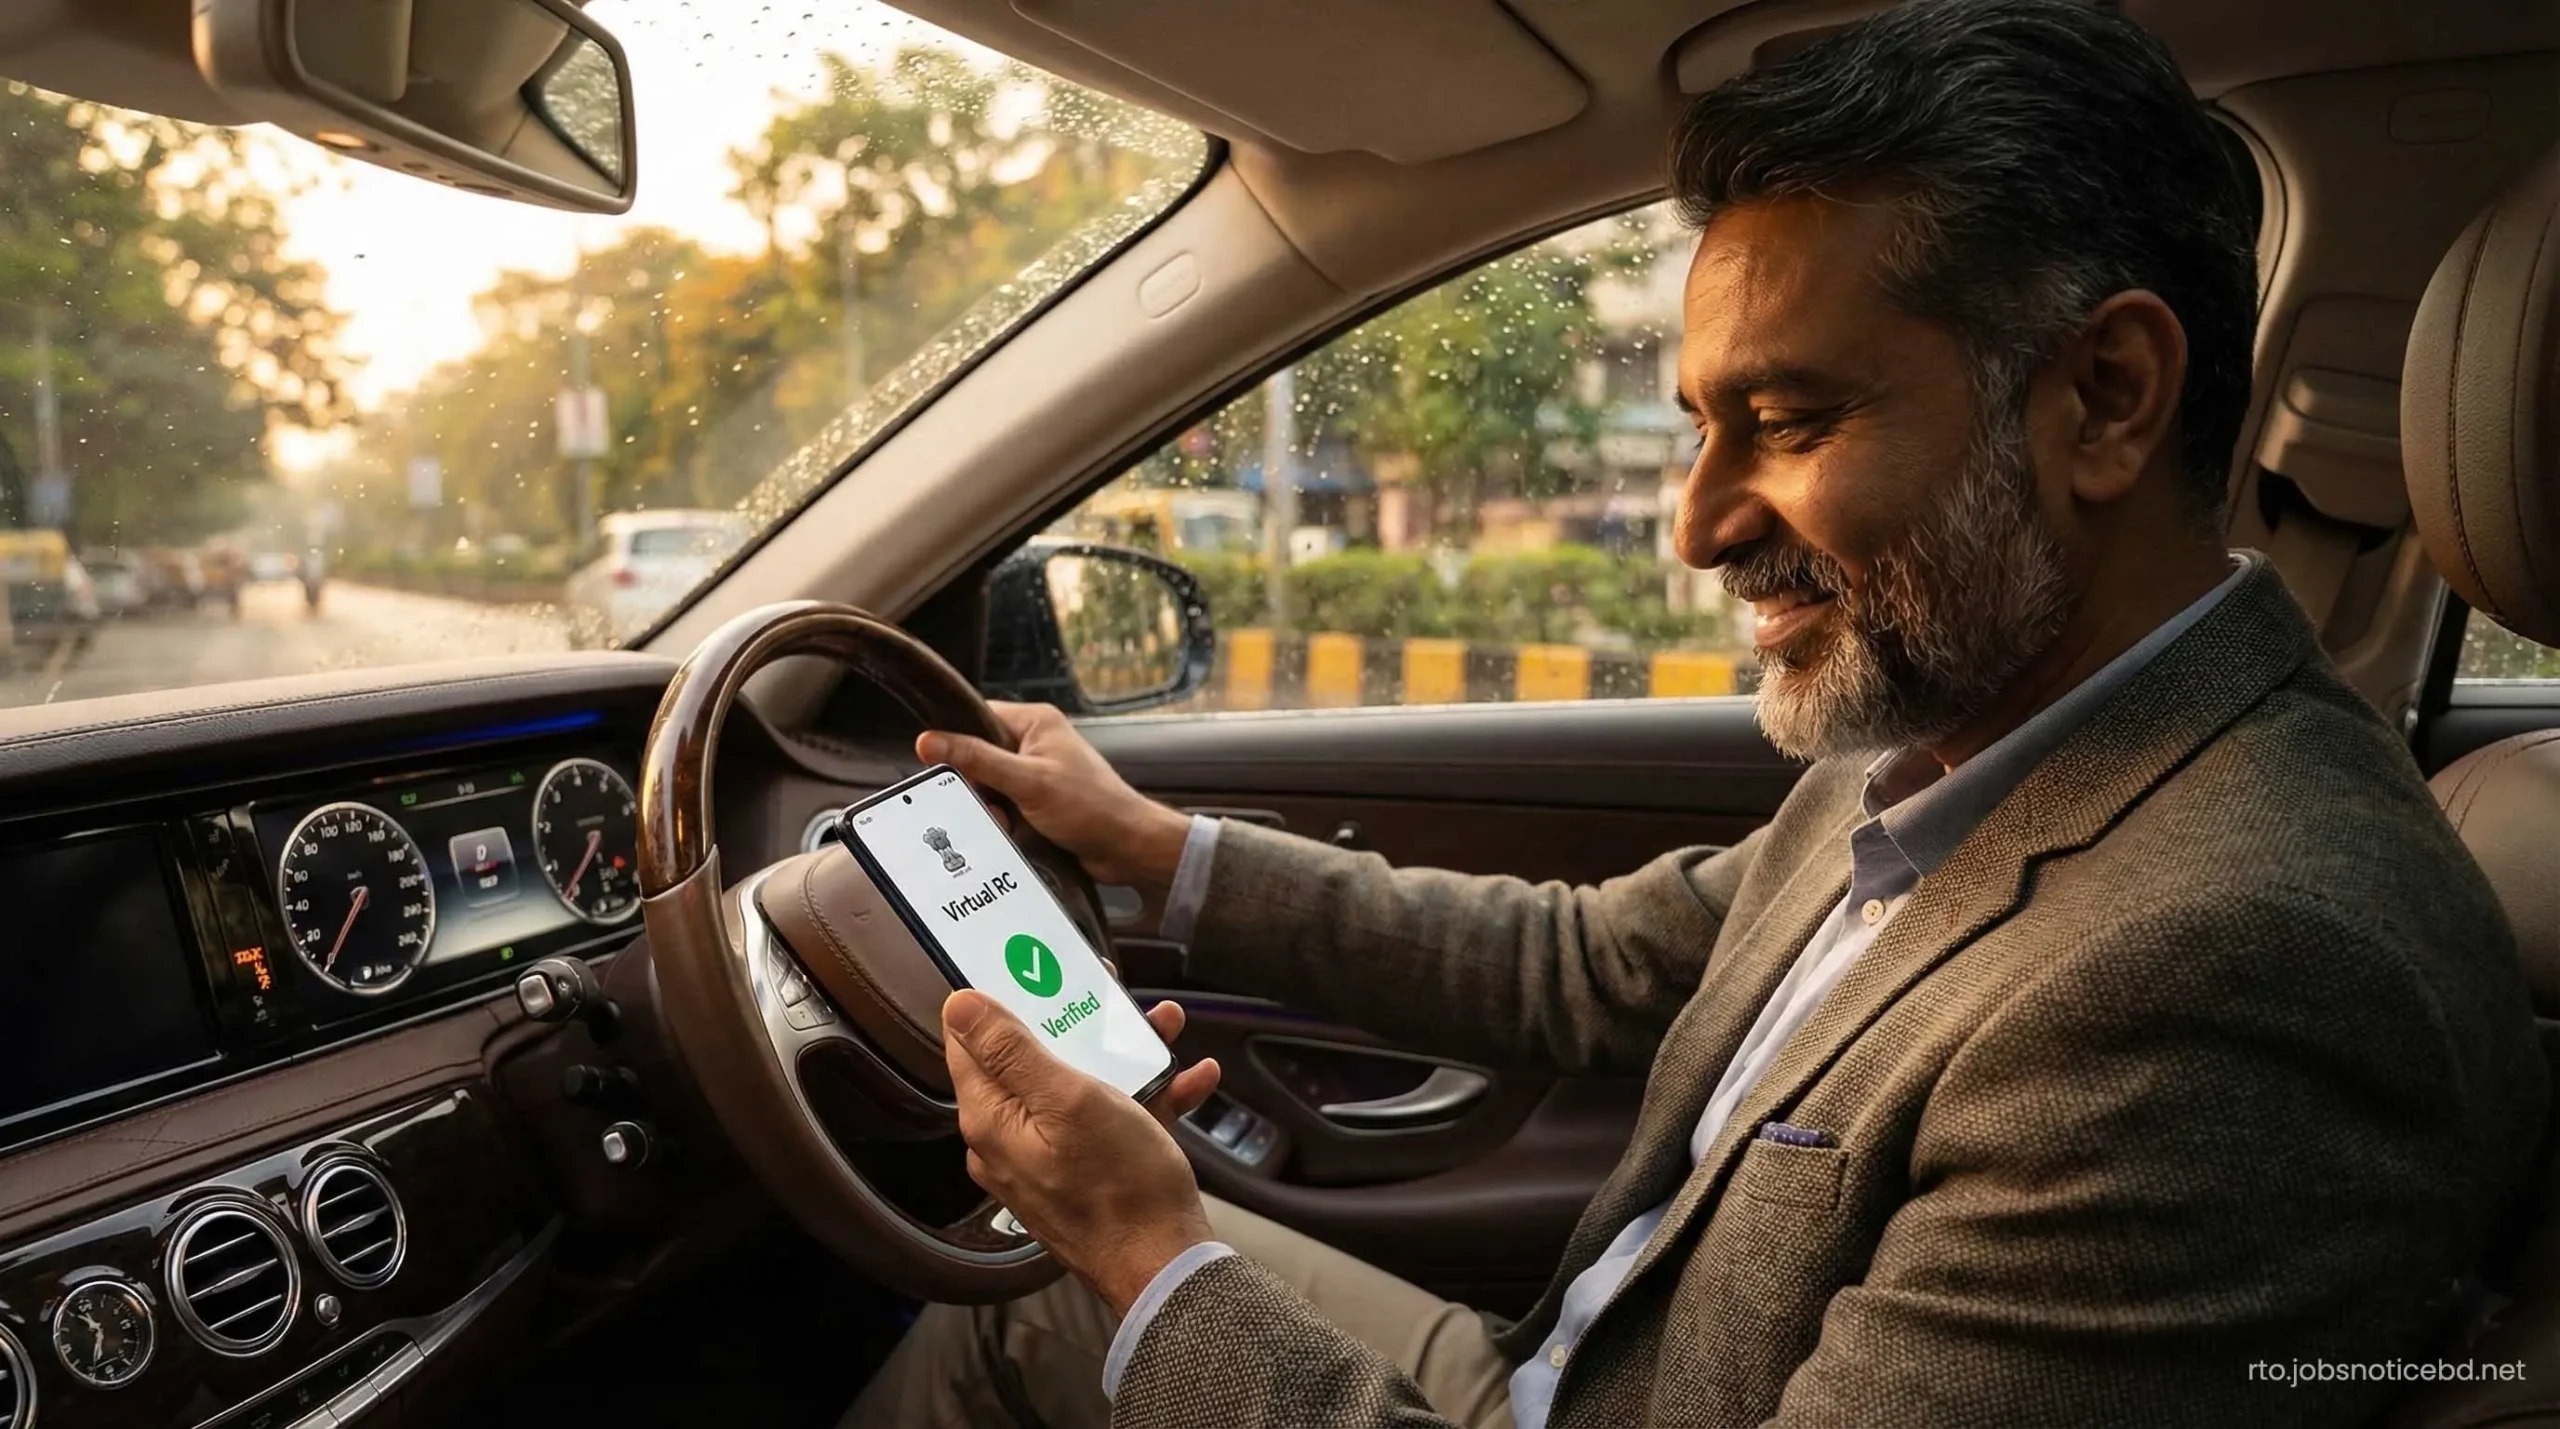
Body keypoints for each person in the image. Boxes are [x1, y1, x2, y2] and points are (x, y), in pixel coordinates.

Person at [846, 2, 2547, 1425]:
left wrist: (1153, 1258)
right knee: (1024, 1304)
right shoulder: (1959, 738)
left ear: (2105, 398)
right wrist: (1153, 849)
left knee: (1078, 1295)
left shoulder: (2232, 981)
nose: (1698, 525)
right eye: (1698, 427)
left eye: (1789, 421)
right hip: (1570, 1380)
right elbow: (1584, 966)